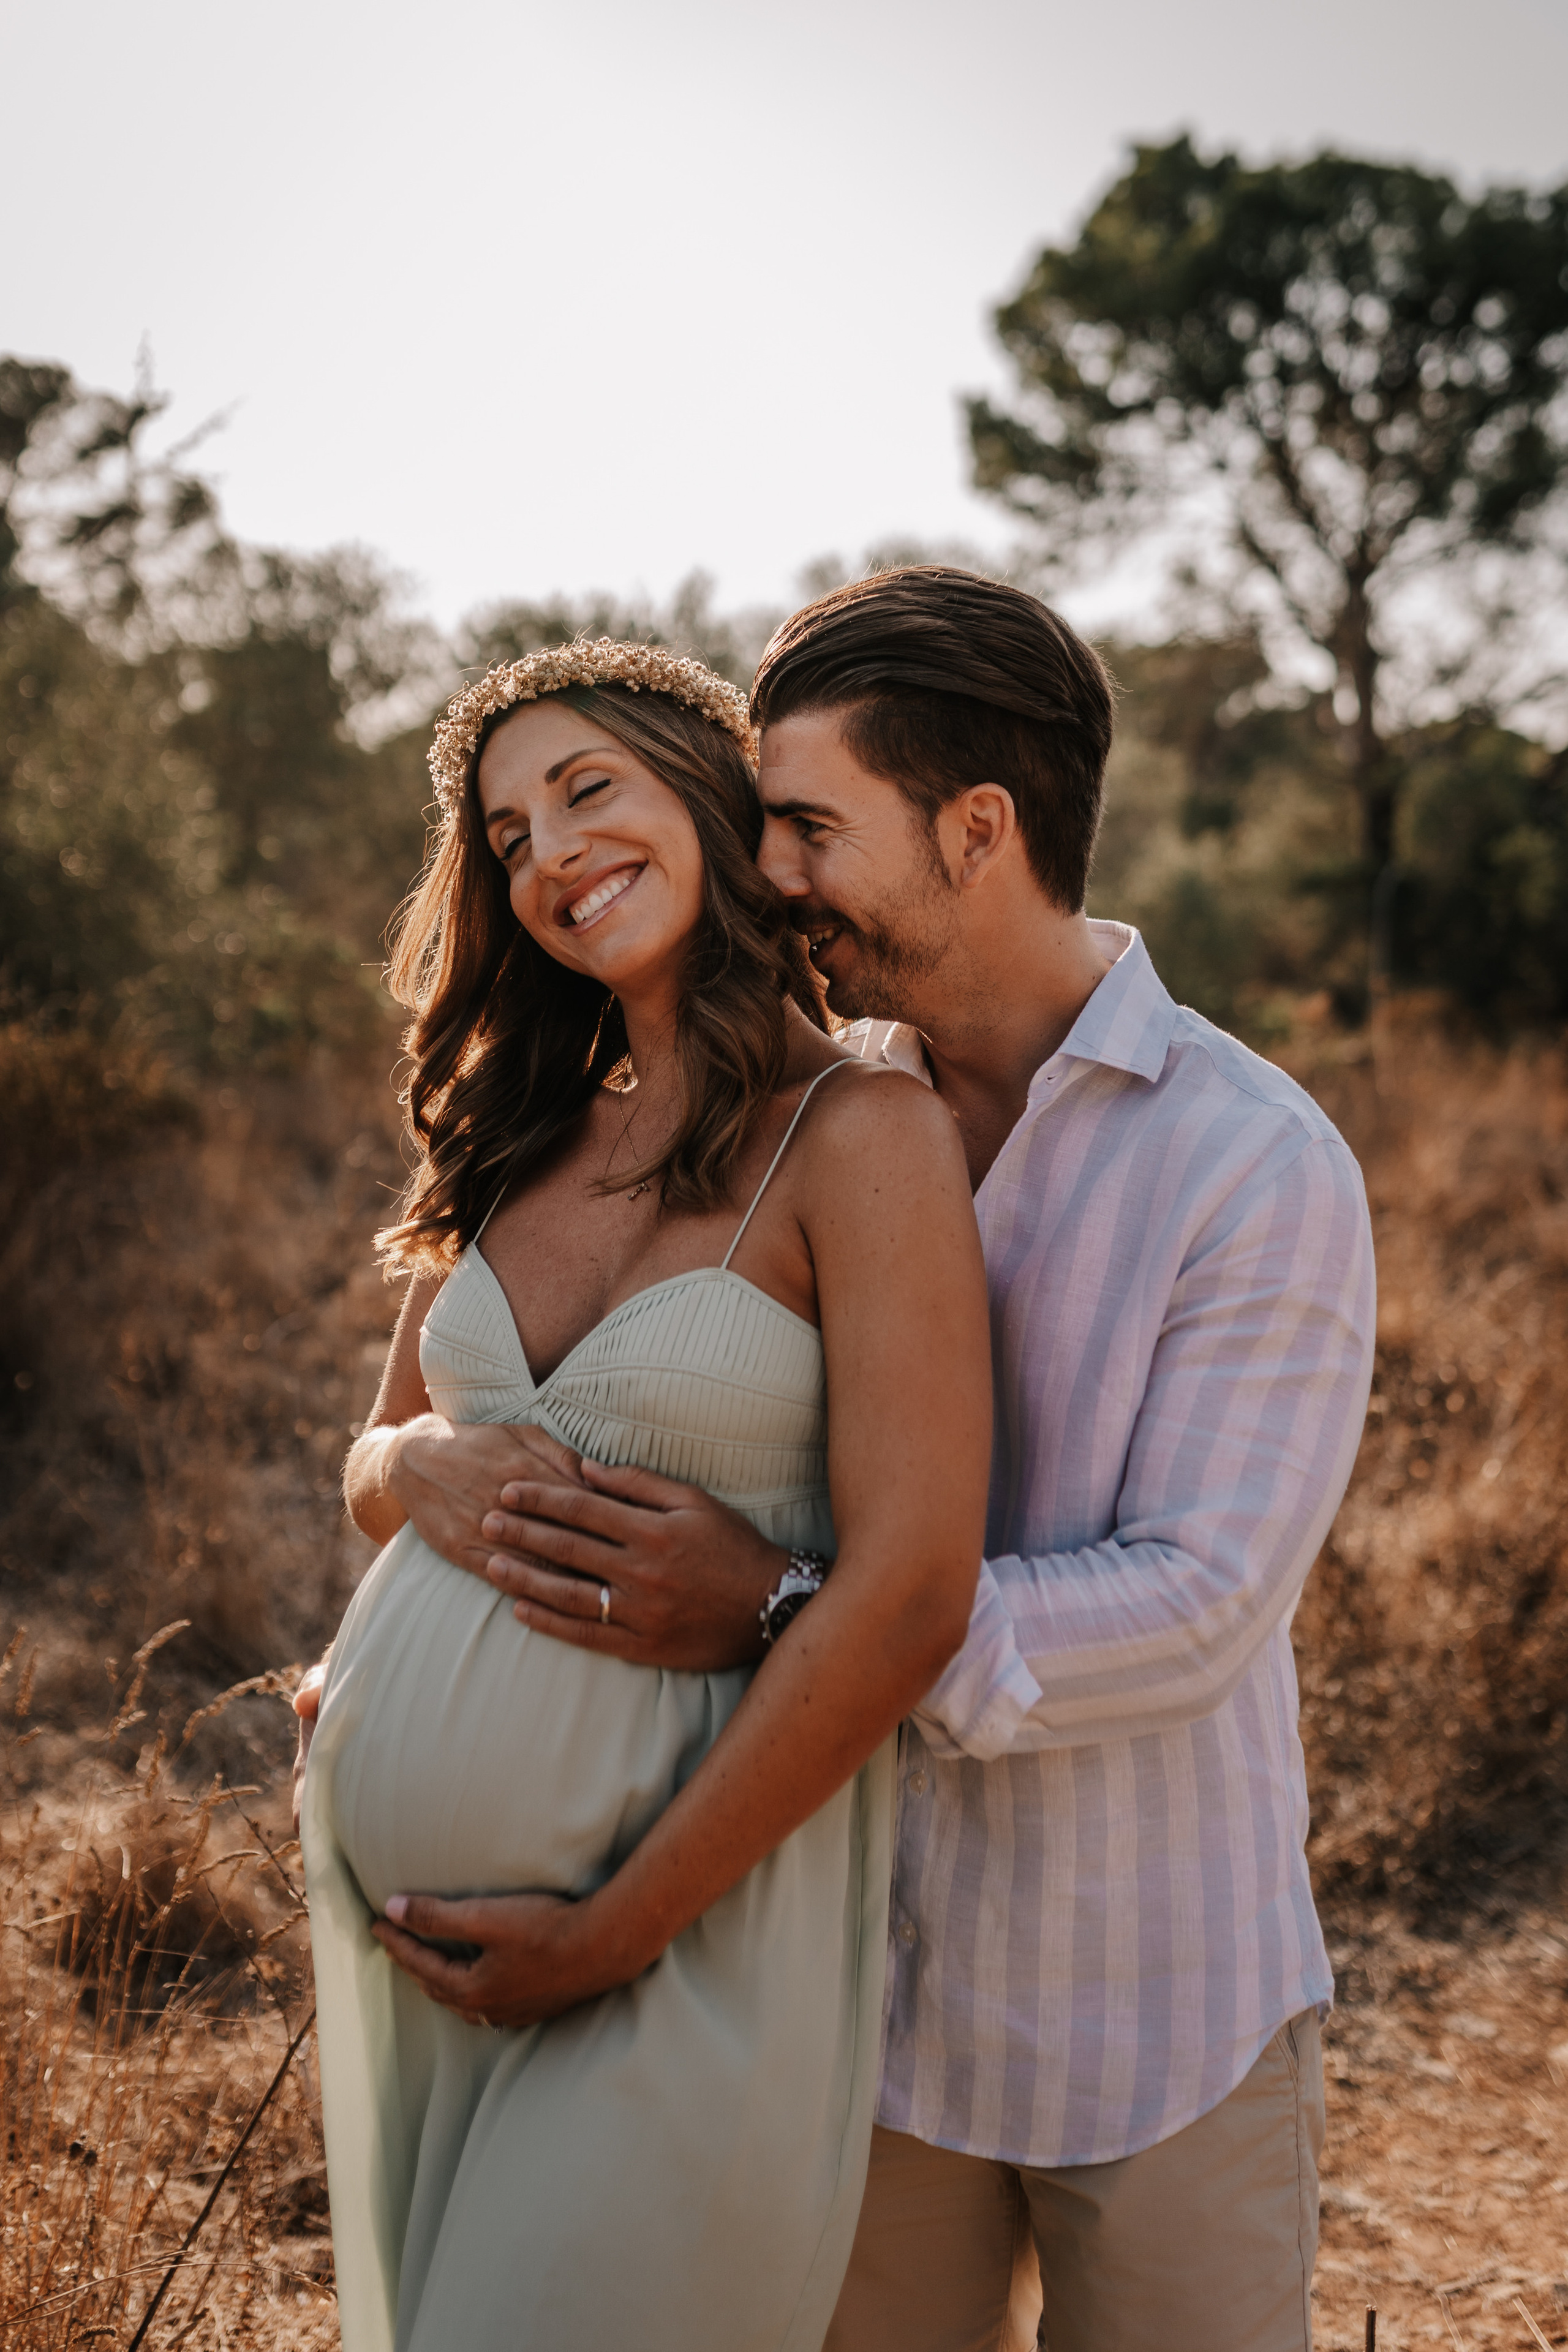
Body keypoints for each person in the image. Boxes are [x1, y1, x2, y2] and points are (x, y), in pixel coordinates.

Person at [333, 570, 1378, 2352]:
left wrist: (788, 1610)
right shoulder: (789, 1097)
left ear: (979, 829)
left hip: (1148, 1999)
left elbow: (1200, 1606)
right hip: (861, 1991)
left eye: (808, 826)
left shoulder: (1248, 1161)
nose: (776, 870)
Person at [296, 638, 992, 2352]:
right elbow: (377, 1461)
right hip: (423, 1955)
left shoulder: (865, 1135)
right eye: (508, 833)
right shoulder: (522, 1128)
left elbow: (912, 1594)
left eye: (585, 789)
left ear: (711, 798)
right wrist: (424, 1472)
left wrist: (611, 1933)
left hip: (682, 1948)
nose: (548, 853)